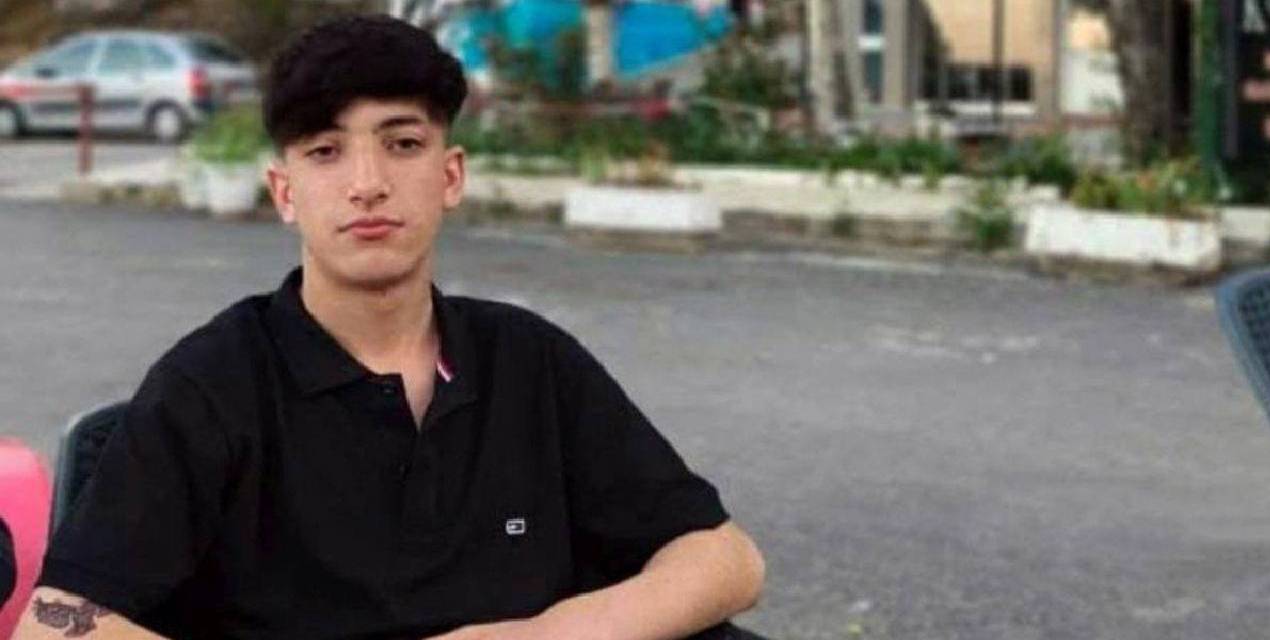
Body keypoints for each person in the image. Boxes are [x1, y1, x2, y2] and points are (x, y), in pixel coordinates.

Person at [14, 14, 765, 640]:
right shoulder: (214, 382)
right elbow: (53, 623)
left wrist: (538, 635)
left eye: (402, 144)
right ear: (285, 191)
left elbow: (725, 559)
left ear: (451, 175)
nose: (367, 183)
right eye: (326, 151)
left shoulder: (528, 361)